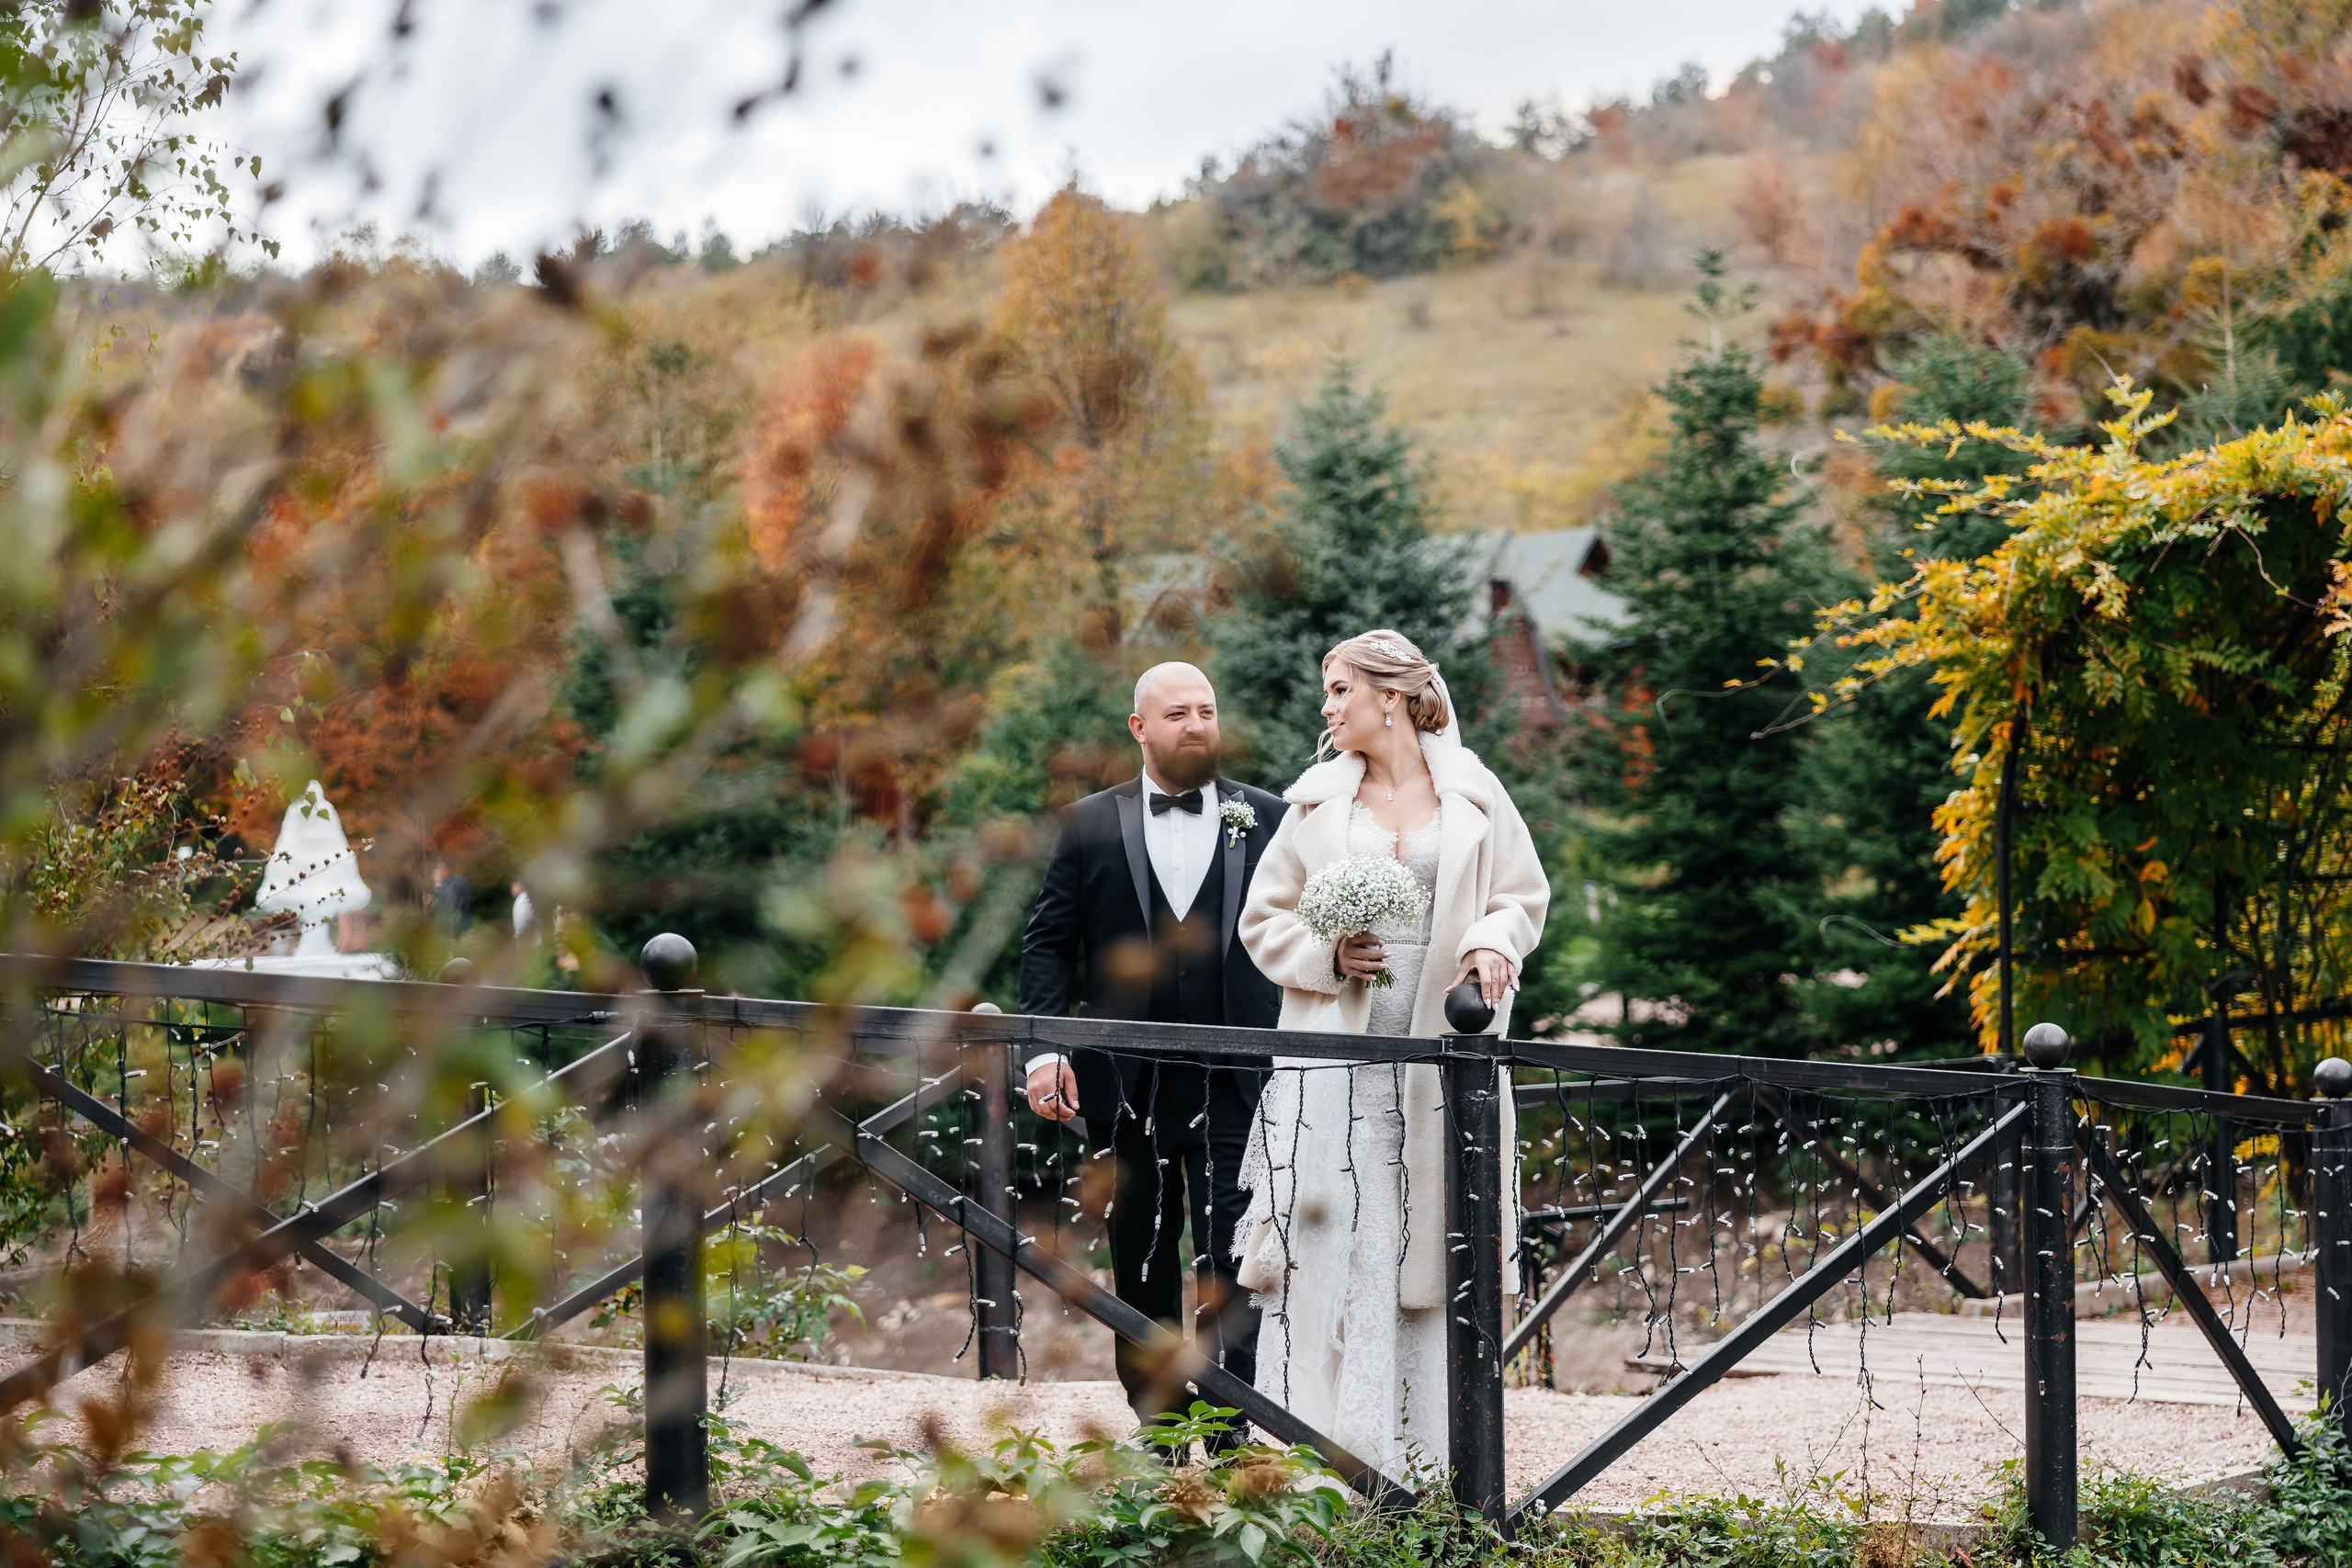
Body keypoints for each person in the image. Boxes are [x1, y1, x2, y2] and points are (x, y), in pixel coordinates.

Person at [1233, 628, 1547, 1483]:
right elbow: (1263, 921)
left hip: (1442, 1071)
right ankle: (1315, 1471)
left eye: (1340, 690)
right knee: (1332, 1258)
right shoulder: (1315, 807)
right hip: (1335, 1071)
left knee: (1428, 1258)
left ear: (1391, 695)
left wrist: (1491, 942)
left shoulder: (1477, 794)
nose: (1327, 707)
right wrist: (1327, 956)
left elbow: (1523, 895)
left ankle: (1423, 1473)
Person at [1018, 661, 1290, 1433]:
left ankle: (1232, 1423)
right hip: (1122, 1077)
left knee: (1232, 1251)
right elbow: (1048, 945)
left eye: (1207, 709)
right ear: (1139, 727)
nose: (1197, 724)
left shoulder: (1268, 817)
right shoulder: (1087, 823)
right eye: (1177, 712)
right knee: (1139, 1251)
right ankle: (1160, 1427)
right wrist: (1044, 1052)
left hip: (1239, 1075)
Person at [429, 859, 473, 937]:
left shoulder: (457, 882)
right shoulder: (453, 881)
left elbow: (446, 900)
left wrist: (438, 886)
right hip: (457, 927)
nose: (437, 872)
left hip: (457, 930)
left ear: (447, 870)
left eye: (439, 868)